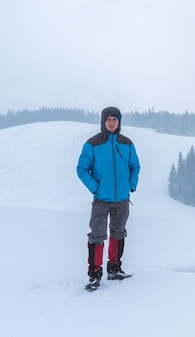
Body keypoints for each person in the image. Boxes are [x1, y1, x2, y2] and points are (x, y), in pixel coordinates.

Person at [76, 106, 141, 289]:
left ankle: (114, 269)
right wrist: (95, 188)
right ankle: (94, 275)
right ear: (103, 122)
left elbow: (135, 166)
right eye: (108, 119)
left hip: (122, 199)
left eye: (115, 119)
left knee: (118, 233)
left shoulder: (127, 143)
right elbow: (82, 169)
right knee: (96, 236)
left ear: (119, 122)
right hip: (101, 200)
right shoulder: (92, 144)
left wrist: (131, 185)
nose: (112, 122)